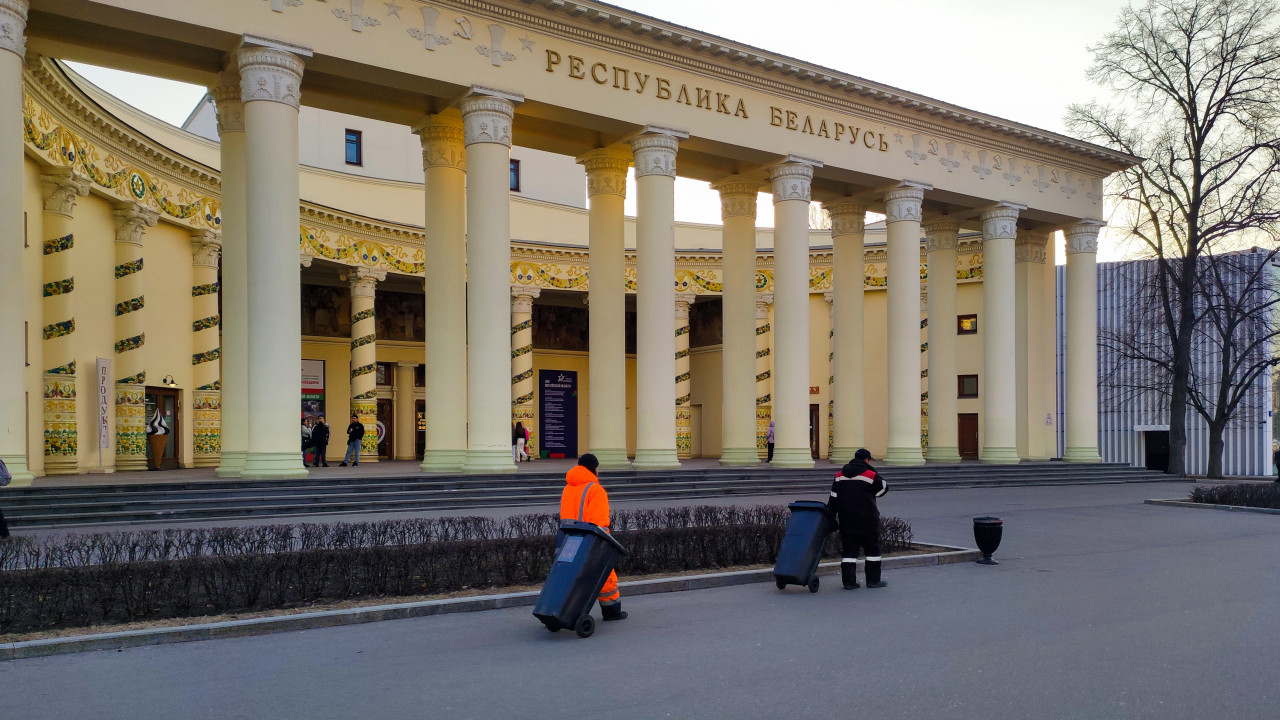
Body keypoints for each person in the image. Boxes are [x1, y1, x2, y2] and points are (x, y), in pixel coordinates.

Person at [559, 453, 627, 621]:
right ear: (594, 469)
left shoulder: (568, 488)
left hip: (569, 539)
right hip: (590, 539)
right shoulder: (595, 490)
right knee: (606, 575)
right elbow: (600, 523)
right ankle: (611, 610)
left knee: (568, 576)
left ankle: (560, 610)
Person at [827, 448, 888, 590]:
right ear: (866, 460)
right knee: (872, 551)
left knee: (849, 552)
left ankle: (849, 583)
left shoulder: (839, 476)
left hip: (846, 519)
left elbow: (833, 499)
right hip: (868, 519)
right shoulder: (870, 475)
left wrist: (831, 517)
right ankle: (873, 581)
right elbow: (884, 489)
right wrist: (873, 472)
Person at [146, 407, 170, 471]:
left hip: (158, 432)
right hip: (157, 432)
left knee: (157, 452)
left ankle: (157, 465)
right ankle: (157, 465)